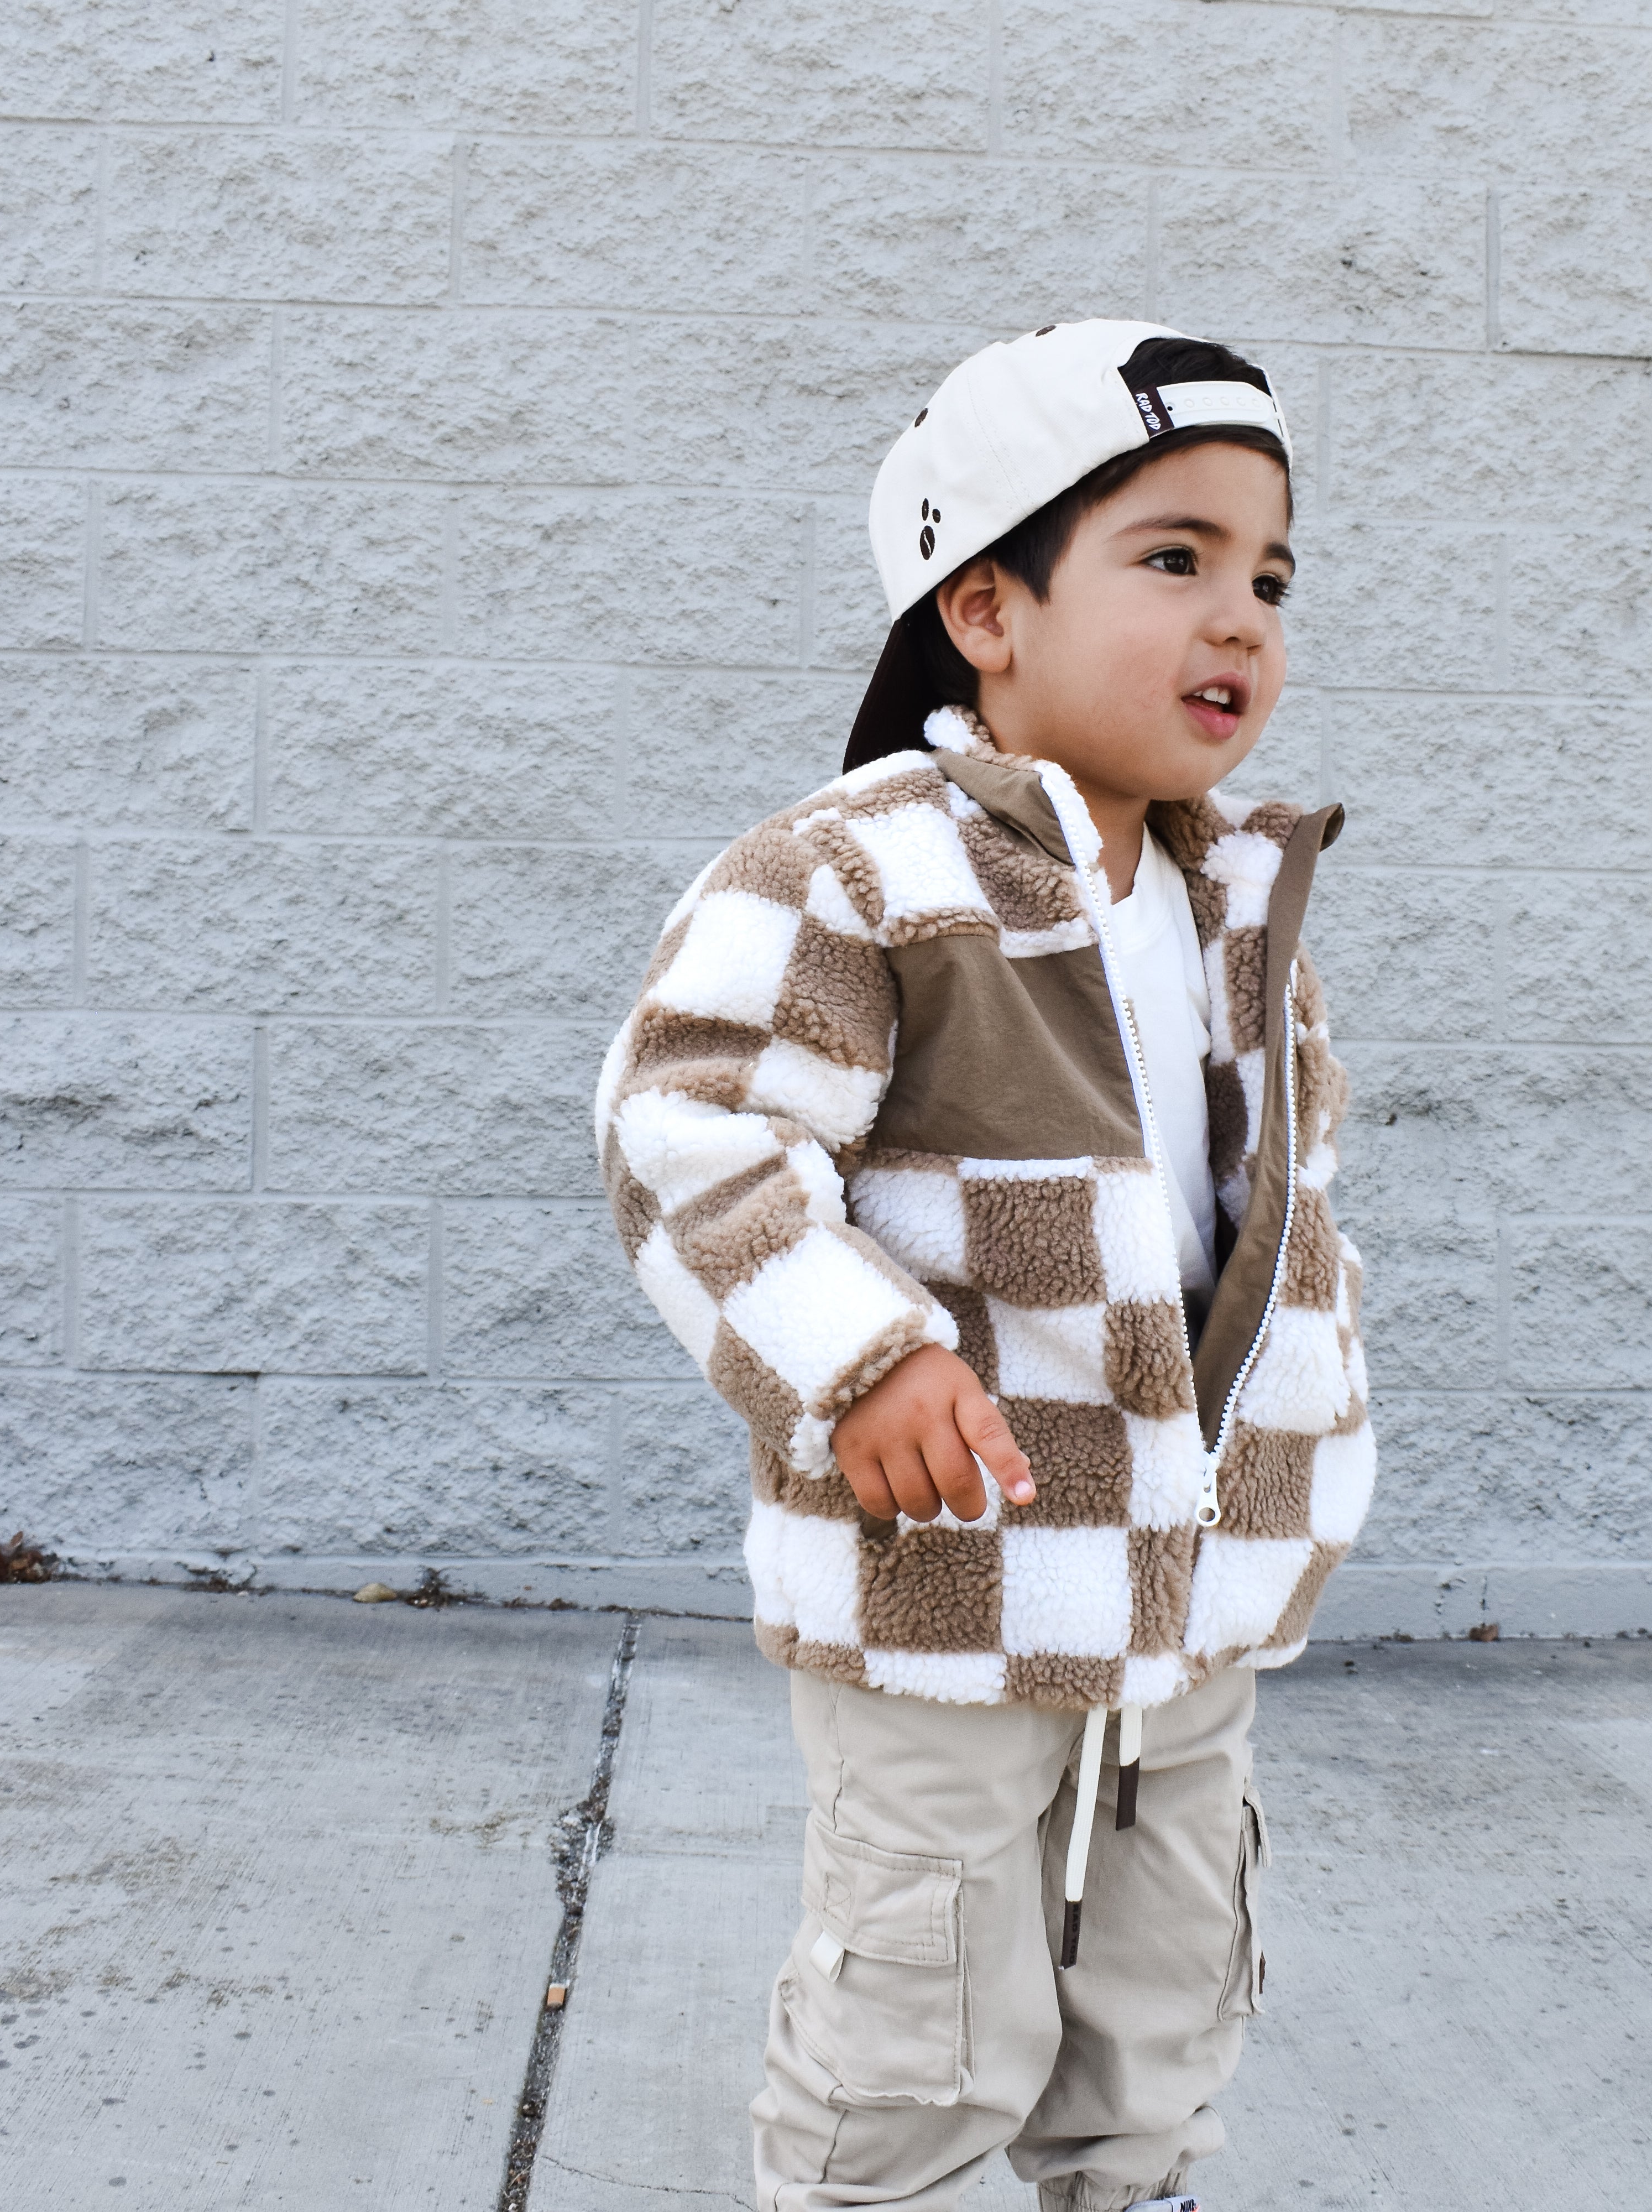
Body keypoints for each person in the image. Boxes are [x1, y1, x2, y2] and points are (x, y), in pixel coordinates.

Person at [596, 320, 1376, 2212]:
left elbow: (1280, 1211)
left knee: (1171, 1963)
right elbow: (694, 1128)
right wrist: (860, 1359)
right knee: (929, 1983)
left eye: (1269, 575)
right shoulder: (858, 871)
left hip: (1191, 1565)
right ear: (985, 607)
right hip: (953, 1567)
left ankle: (1137, 2184)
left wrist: (1307, 1436)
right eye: (1173, 558)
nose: (1241, 619)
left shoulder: (1232, 898)